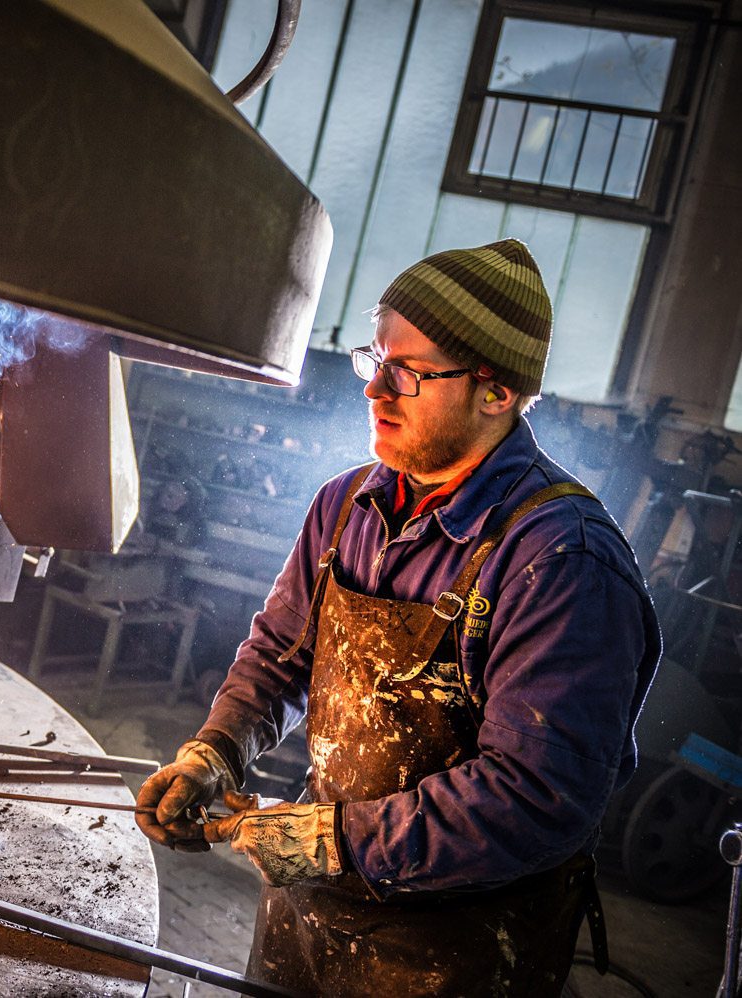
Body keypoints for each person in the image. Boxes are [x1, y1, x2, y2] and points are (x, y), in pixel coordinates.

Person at [135, 239, 661, 996]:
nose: (375, 390)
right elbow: (282, 653)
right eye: (372, 359)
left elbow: (537, 797)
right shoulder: (346, 504)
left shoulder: (563, 561)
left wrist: (327, 841)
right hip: (305, 930)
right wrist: (214, 753)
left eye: (408, 372)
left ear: (497, 390)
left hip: (457, 957)